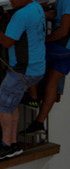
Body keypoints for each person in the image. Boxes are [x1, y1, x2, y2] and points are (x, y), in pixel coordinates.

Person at [0, 0, 46, 160]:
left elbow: (7, 41)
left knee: (3, 105)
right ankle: (14, 143)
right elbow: (24, 29)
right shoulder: (36, 7)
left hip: (22, 72)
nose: (11, 1)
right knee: (11, 104)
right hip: (37, 68)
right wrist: (5, 18)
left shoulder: (21, 15)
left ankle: (6, 146)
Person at [23, 0, 70, 136]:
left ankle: (33, 98)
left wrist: (45, 40)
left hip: (62, 45)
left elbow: (63, 30)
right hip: (67, 50)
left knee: (31, 56)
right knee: (52, 83)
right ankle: (39, 122)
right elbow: (56, 14)